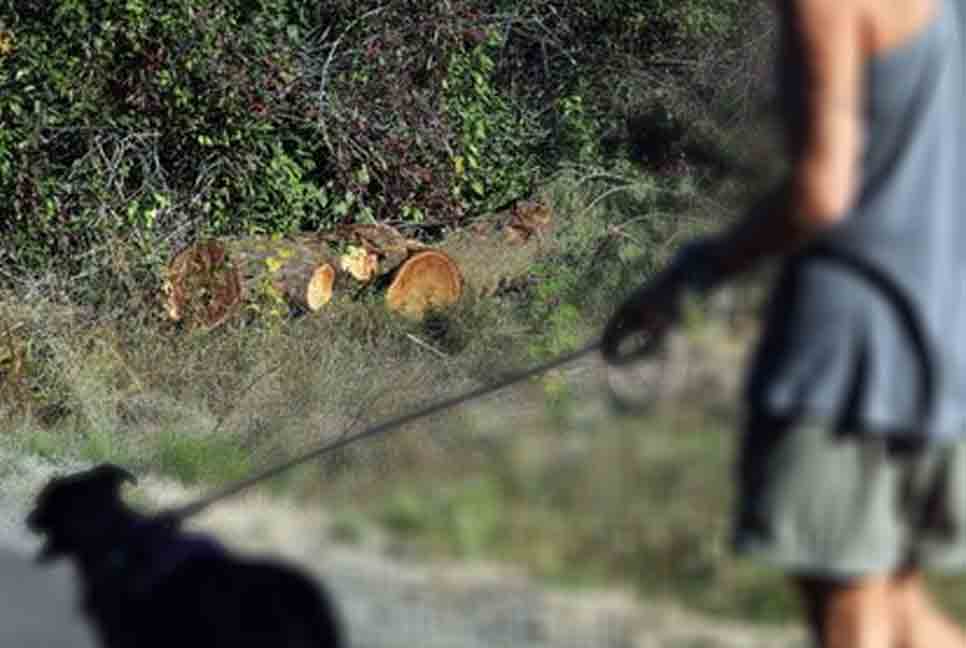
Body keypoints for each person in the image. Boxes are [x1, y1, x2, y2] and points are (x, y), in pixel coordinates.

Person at [603, 0, 966, 646]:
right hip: (940, 337)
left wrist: (701, 268)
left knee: (851, 605)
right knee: (899, 607)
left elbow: (823, 192)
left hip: (850, 354)